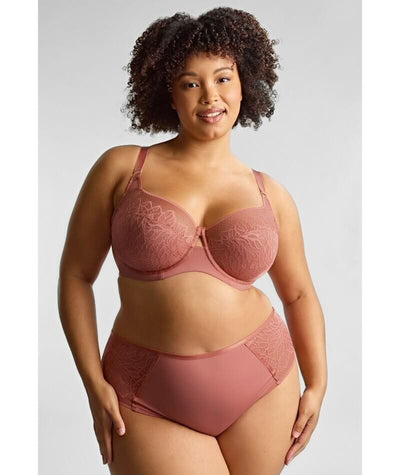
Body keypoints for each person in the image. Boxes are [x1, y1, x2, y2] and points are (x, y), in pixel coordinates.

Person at [58, 7, 327, 475]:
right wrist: (92, 381)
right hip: (147, 390)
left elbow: (299, 293)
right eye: (190, 83)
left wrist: (318, 383)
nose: (210, 96)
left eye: (223, 79)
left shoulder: (271, 194)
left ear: (244, 85)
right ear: (169, 93)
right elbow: (76, 276)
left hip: (263, 384)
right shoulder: (122, 169)